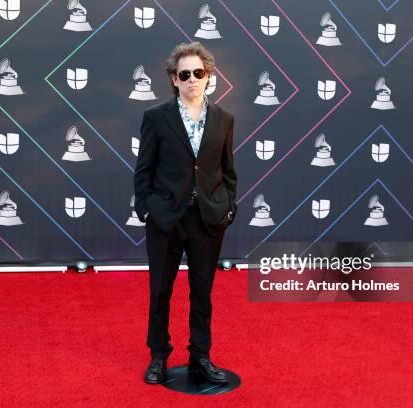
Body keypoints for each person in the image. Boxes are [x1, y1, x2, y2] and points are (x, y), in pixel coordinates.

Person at [133, 42, 237, 385]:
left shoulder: (224, 120)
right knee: (159, 290)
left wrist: (227, 207)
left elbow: (227, 171)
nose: (193, 79)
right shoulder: (156, 118)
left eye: (199, 73)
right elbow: (143, 169)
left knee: (202, 290)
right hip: (165, 218)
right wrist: (147, 209)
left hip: (207, 218)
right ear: (174, 79)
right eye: (185, 74)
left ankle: (200, 356)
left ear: (208, 77)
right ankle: (158, 357)